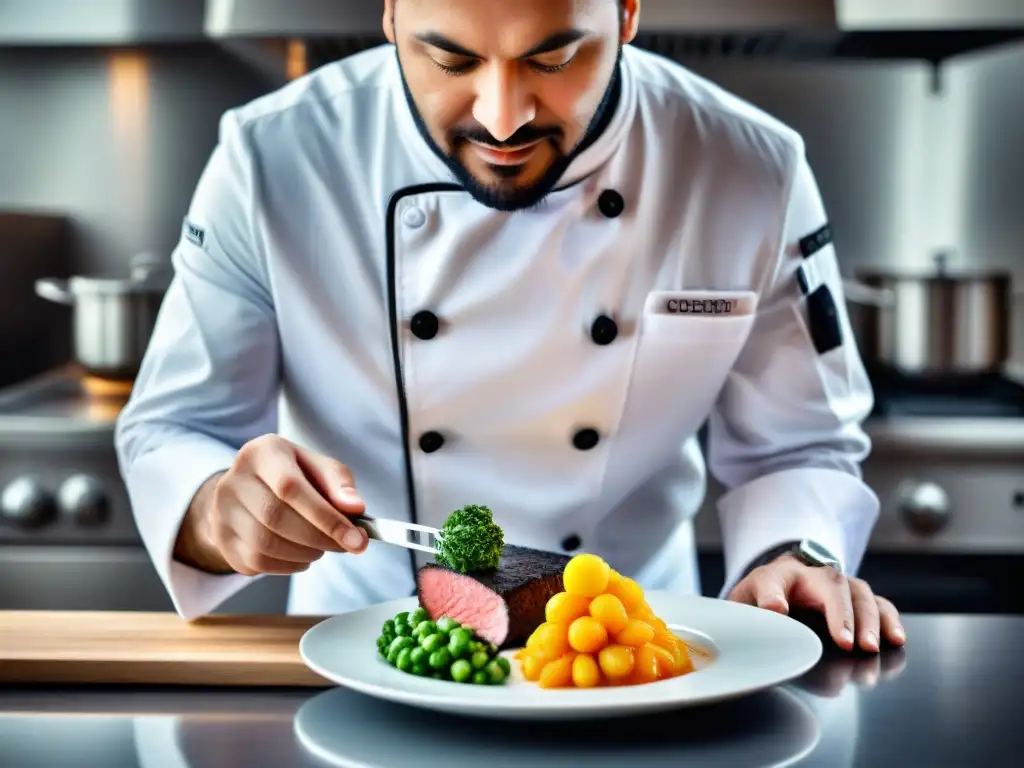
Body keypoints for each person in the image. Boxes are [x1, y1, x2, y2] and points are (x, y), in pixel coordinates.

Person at [115, 0, 906, 654]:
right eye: (452, 61)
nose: (502, 119)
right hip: (357, 646)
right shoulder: (273, 157)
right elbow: (177, 428)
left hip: (637, 655)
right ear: (389, 14)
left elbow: (800, 445)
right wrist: (222, 509)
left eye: (554, 59)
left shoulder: (748, 166)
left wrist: (792, 551)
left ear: (628, 12)